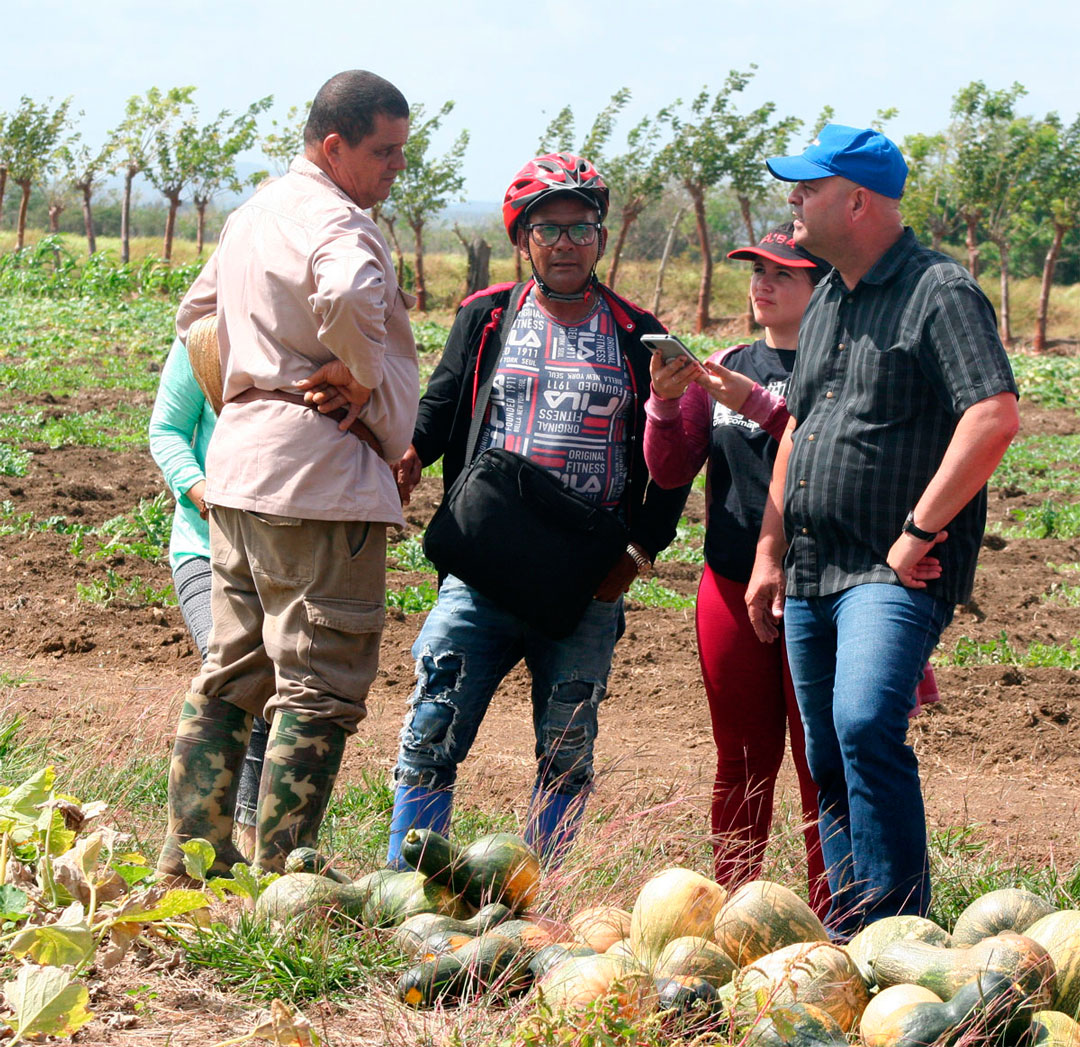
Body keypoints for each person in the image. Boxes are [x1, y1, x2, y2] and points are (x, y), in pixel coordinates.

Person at [745, 125, 1019, 935]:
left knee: (865, 722)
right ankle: (853, 933)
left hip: (888, 570)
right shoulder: (829, 292)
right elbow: (799, 422)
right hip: (811, 566)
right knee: (828, 753)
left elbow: (994, 415)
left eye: (808, 187)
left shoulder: (940, 291)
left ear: (856, 200)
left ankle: (904, 934)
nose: (792, 199)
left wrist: (917, 531)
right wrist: (768, 550)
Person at [385, 153, 689, 866]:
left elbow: (673, 456)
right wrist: (411, 455)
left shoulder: (638, 334)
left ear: (601, 239)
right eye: (548, 230)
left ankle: (537, 893)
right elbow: (441, 401)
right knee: (433, 723)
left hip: (583, 580)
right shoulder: (487, 316)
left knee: (567, 746)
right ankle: (403, 879)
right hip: (482, 568)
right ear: (523, 238)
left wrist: (640, 551)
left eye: (581, 229)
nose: (565, 245)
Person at [156, 70, 420, 877]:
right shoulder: (339, 223)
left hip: (238, 474)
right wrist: (361, 371)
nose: (393, 171)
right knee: (319, 680)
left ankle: (192, 857)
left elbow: (195, 317)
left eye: (402, 154)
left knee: (233, 669)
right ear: (333, 146)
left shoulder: (251, 215)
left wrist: (253, 387)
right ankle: (286, 869)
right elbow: (343, 289)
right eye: (383, 152)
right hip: (317, 481)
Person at [643, 224, 832, 916]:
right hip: (727, 583)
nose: (763, 284)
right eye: (757, 270)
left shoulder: (842, 367)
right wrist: (665, 401)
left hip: (821, 588)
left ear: (822, 285)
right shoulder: (720, 364)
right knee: (743, 760)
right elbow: (668, 470)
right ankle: (734, 909)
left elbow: (824, 448)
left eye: (783, 273)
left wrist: (755, 400)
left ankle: (837, 918)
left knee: (823, 764)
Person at [148, 337, 270, 859]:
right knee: (232, 669)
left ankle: (249, 833)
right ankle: (195, 841)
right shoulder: (202, 336)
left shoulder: (299, 330)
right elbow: (167, 431)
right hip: (206, 544)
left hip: (278, 547)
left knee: (276, 681)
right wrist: (200, 492)